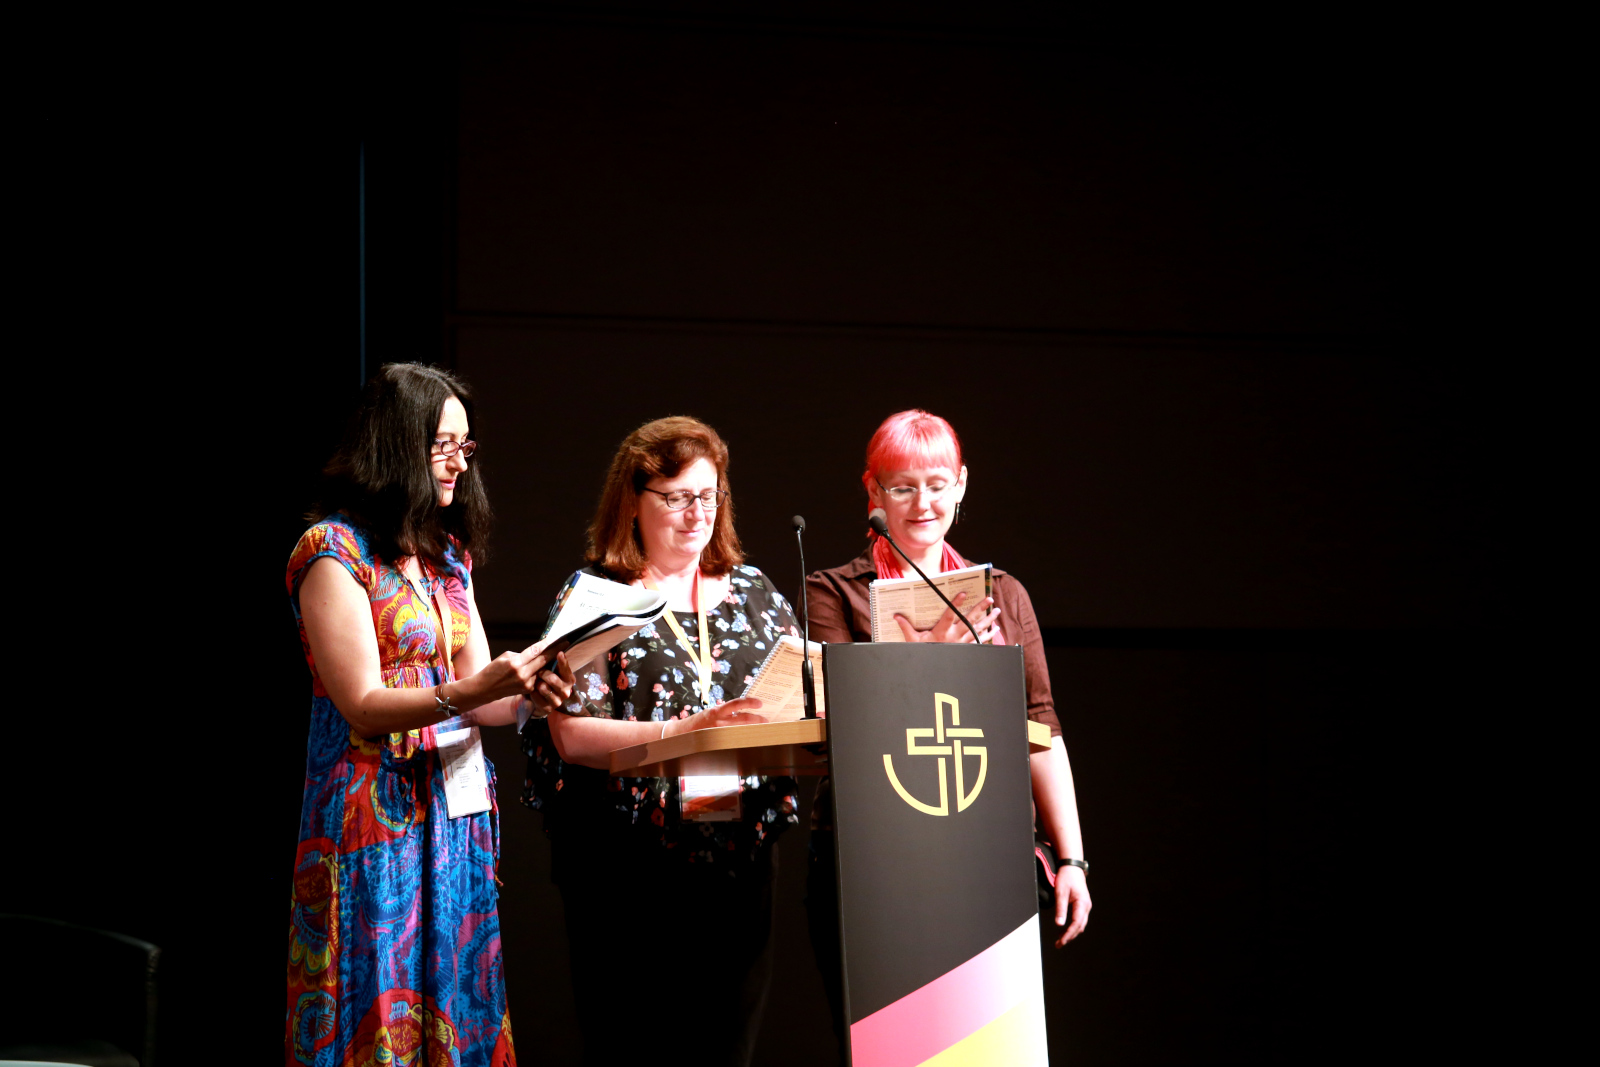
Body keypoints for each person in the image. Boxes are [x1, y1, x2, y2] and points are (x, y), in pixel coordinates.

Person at [284, 363, 569, 1067]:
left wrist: (528, 688)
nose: (457, 462)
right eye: (442, 443)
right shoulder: (333, 551)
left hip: (451, 811)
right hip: (371, 818)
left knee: (458, 999)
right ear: (394, 444)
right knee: (376, 997)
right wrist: (472, 694)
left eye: (465, 446)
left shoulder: (447, 558)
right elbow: (363, 702)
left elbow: (482, 689)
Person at [804, 408, 1093, 1050]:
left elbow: (1040, 728)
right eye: (902, 487)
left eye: (937, 484)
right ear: (873, 493)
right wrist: (938, 656)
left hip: (984, 851)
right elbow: (837, 717)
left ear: (962, 485)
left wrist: (1071, 857)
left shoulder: (1004, 594)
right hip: (869, 857)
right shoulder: (833, 592)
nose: (922, 503)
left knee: (986, 1051)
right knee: (890, 1050)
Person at [519, 416, 802, 1067]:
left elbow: (799, 697)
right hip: (627, 860)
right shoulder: (598, 597)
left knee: (727, 1044)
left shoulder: (756, 594)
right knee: (635, 1044)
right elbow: (570, 733)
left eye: (708, 494)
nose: (695, 512)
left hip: (738, 846)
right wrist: (682, 733)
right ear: (633, 501)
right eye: (675, 497)